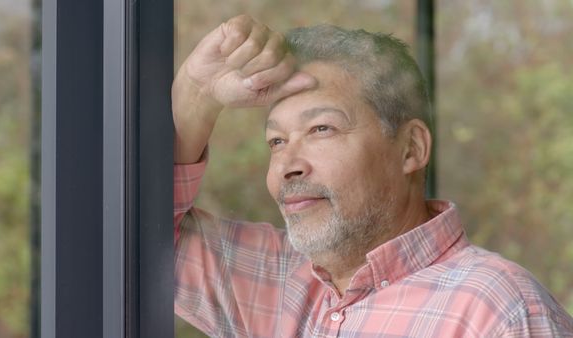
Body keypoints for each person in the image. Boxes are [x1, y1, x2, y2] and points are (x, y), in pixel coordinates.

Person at [172, 15, 573, 337]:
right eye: (276, 141)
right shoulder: (275, 279)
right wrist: (196, 93)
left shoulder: (497, 312)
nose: (287, 165)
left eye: (321, 129)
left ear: (411, 148)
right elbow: (128, 234)